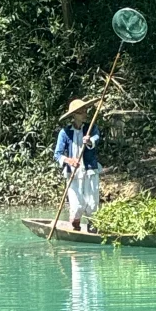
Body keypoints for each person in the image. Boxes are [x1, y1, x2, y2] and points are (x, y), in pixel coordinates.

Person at [54, 97, 102, 231]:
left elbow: (97, 138)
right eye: (81, 112)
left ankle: (94, 230)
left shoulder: (91, 128)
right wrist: (69, 160)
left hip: (90, 170)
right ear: (74, 115)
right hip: (74, 173)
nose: (85, 114)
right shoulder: (65, 133)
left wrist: (89, 140)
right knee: (77, 205)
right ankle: (75, 227)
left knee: (92, 204)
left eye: (85, 111)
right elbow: (57, 154)